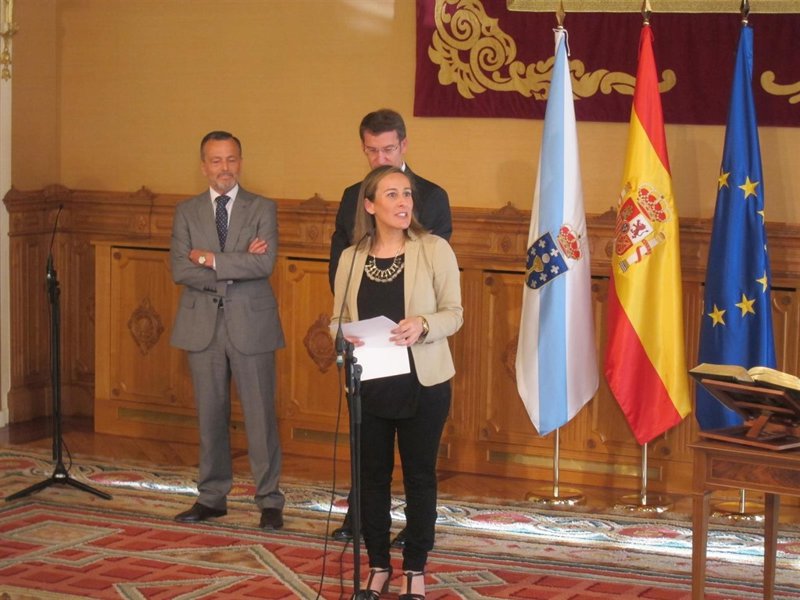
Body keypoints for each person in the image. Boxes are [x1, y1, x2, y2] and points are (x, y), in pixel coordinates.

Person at [331, 165, 463, 599]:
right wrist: (344, 340)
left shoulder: (434, 249)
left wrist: (423, 324)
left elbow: (454, 314)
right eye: (392, 194)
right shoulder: (351, 258)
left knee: (419, 478)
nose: (403, 201)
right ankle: (378, 565)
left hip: (423, 384)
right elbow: (337, 320)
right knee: (372, 479)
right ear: (370, 205)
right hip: (370, 385)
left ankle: (416, 569)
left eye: (406, 193)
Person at [170, 130, 285, 531]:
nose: (225, 168)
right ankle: (211, 498)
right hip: (202, 326)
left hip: (252, 325)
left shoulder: (262, 207)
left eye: (231, 159)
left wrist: (209, 259)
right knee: (210, 415)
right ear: (204, 166)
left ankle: (269, 501)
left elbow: (264, 264)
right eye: (216, 160)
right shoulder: (186, 211)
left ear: (241, 162)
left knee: (260, 417)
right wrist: (235, 262)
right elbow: (180, 269)